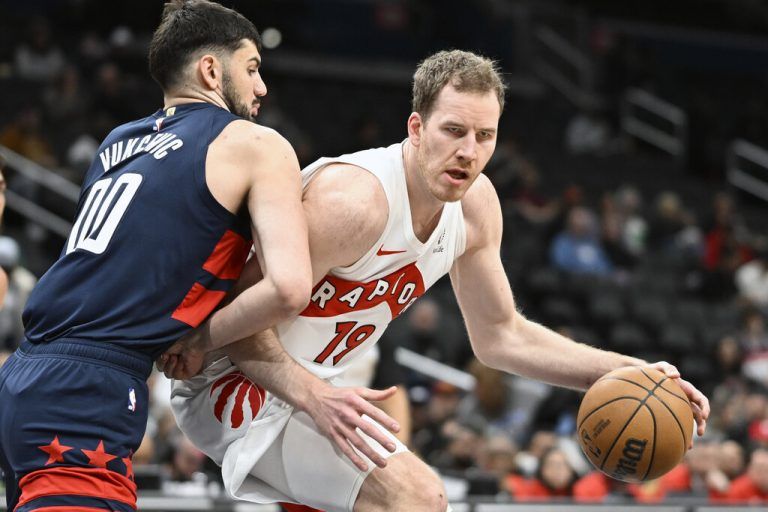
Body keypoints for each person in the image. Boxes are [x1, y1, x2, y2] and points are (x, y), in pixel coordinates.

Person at [167, 50, 710, 512]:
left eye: (484, 136)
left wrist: (635, 373)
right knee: (417, 498)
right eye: (453, 131)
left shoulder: (475, 209)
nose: (468, 152)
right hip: (234, 378)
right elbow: (232, 319)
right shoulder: (352, 203)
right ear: (416, 127)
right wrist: (312, 395)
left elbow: (502, 338)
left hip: (319, 384)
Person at [0, 2, 399, 511]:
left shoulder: (115, 142)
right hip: (88, 390)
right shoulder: (255, 143)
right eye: (252, 68)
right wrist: (197, 339)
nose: (262, 88)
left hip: (24, 375)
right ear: (211, 70)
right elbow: (290, 287)